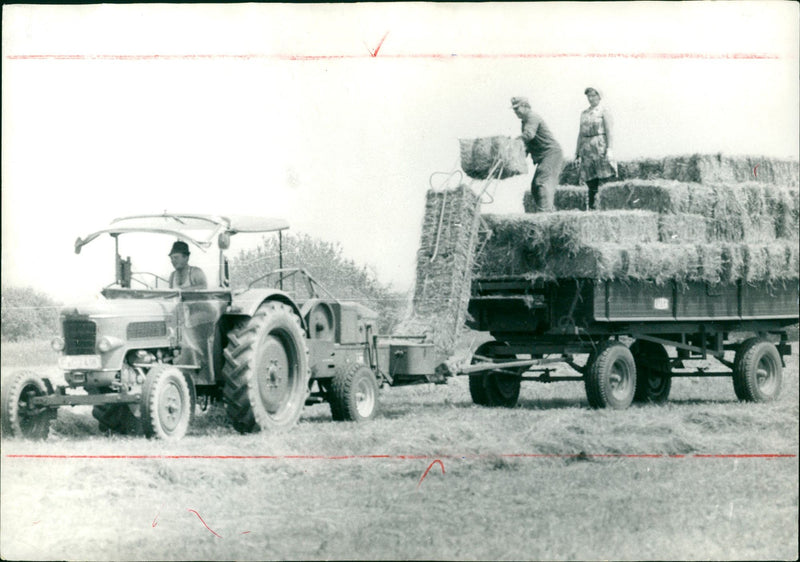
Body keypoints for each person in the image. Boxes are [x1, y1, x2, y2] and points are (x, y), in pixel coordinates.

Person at [511, 96, 564, 213]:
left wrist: (513, 143)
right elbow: (528, 144)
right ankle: (549, 212)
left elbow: (529, 135)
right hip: (544, 156)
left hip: (551, 154)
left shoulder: (532, 117)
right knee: (535, 188)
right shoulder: (525, 121)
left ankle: (545, 215)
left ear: (525, 106)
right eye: (514, 109)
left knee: (541, 182)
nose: (515, 112)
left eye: (517, 108)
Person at [575, 87, 617, 209]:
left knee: (604, 176)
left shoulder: (604, 111)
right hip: (587, 148)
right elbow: (580, 133)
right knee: (590, 179)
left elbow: (609, 131)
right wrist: (577, 152)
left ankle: (605, 206)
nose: (591, 98)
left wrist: (610, 149)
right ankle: (593, 207)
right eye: (589, 96)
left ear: (599, 97)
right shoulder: (584, 113)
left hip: (600, 146)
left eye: (593, 95)